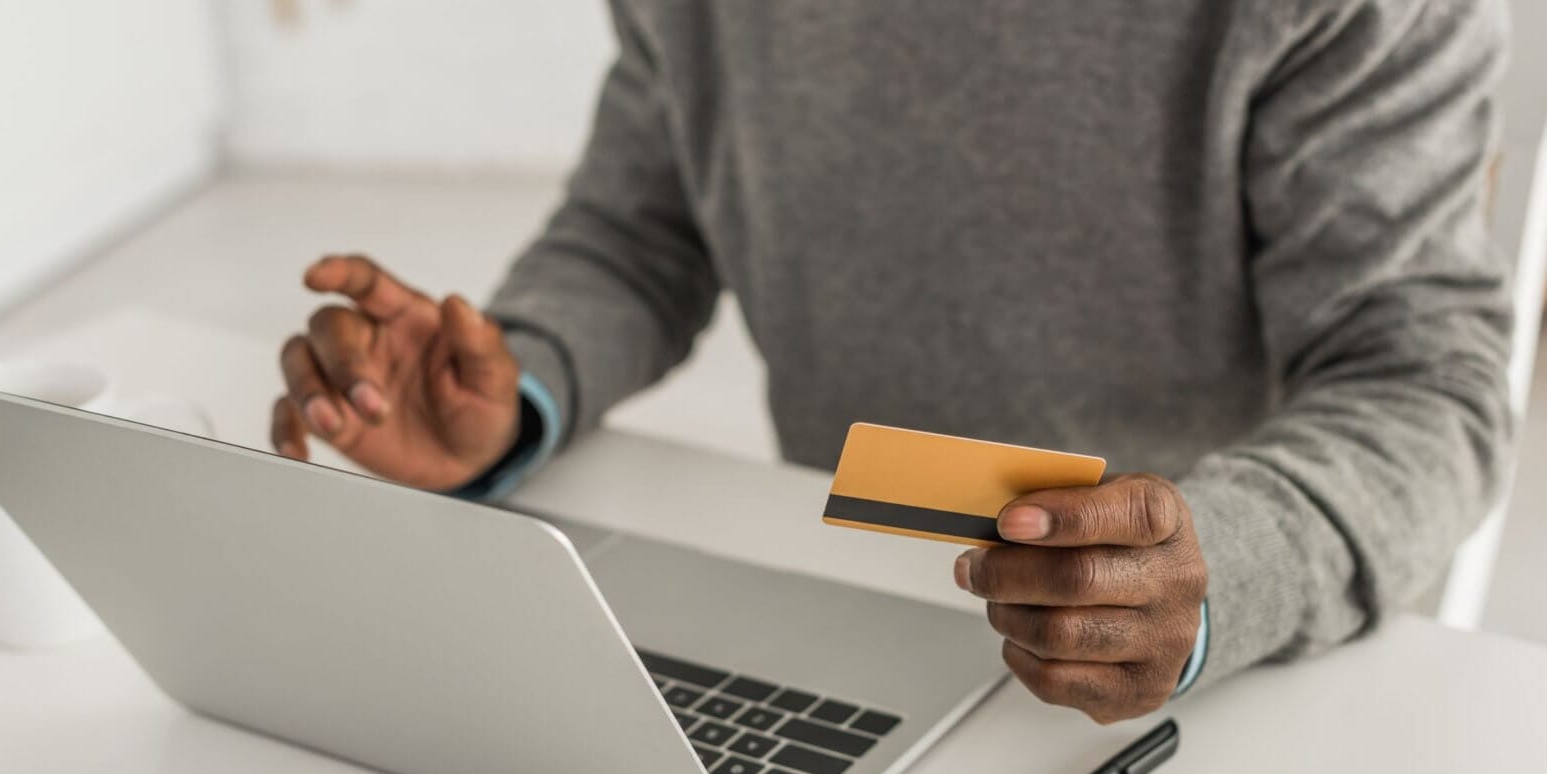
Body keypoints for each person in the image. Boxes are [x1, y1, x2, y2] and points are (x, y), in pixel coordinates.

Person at [269, 0, 1513, 723]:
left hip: (1206, 668)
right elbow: (643, 223)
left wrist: (1221, 572)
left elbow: (1419, 384)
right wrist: (514, 390)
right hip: (840, 607)